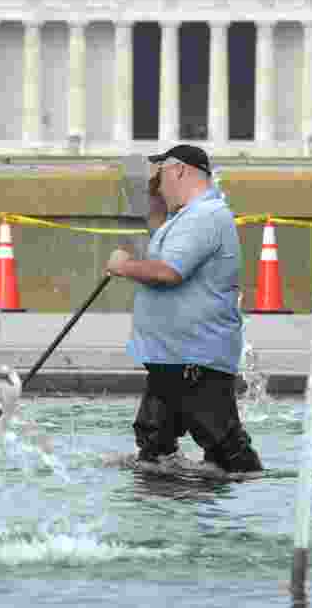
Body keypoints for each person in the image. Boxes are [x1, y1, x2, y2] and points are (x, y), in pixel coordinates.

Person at [106, 144, 263, 474]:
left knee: (226, 449)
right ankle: (168, 519)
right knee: (154, 447)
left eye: (160, 174)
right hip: (174, 356)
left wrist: (124, 266)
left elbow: (168, 272)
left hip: (194, 360)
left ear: (179, 170)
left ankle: (252, 501)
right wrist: (155, 195)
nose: (157, 182)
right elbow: (160, 236)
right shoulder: (188, 217)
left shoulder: (205, 216)